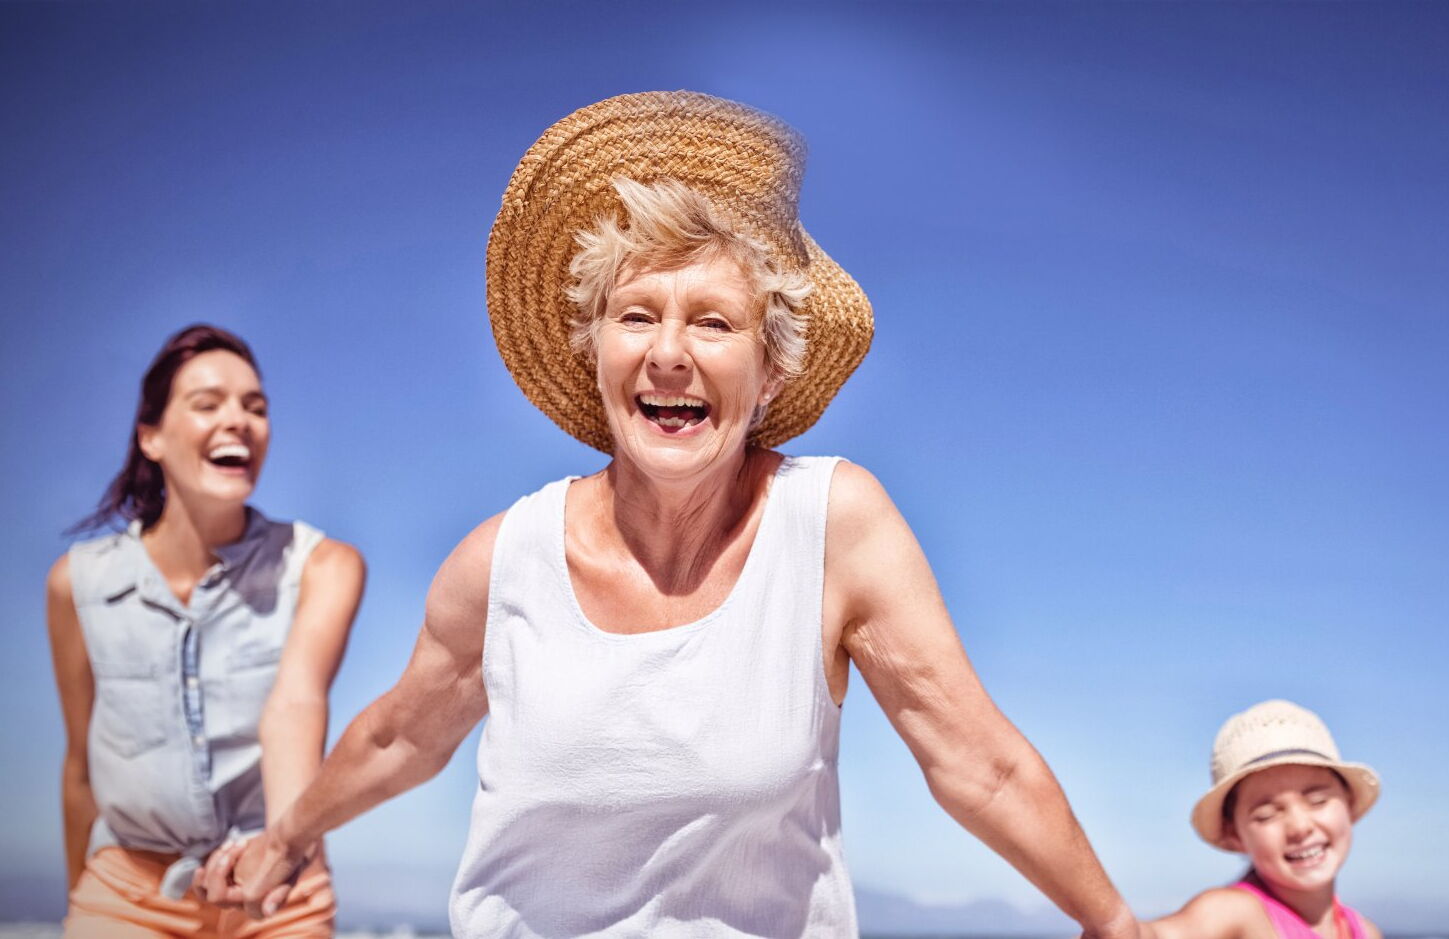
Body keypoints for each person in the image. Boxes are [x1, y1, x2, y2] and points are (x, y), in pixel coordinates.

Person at [200, 91, 1144, 938]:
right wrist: (285, 838)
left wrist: (1114, 923)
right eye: (637, 315)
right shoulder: (504, 560)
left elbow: (979, 764)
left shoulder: (832, 529)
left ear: (769, 372)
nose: (669, 353)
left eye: (714, 322)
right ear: (595, 350)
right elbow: (399, 735)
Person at [46, 324, 365, 937]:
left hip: (279, 886)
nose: (239, 420)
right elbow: (80, 767)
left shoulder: (323, 567)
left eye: (256, 407)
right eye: (208, 403)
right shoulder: (76, 584)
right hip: (126, 890)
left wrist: (279, 852)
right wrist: (79, 903)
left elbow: (296, 708)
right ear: (152, 437)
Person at [1141, 700, 1383, 939]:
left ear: (1348, 803)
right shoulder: (1232, 913)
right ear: (1234, 833)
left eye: (1318, 801)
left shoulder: (1364, 931)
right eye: (1266, 815)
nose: (1300, 827)